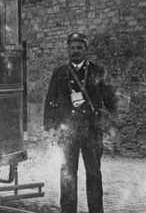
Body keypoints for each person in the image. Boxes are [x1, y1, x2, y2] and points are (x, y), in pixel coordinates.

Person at [43, 32, 117, 213]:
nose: (75, 51)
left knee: (93, 173)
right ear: (68, 50)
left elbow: (110, 99)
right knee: (68, 174)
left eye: (79, 47)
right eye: (72, 48)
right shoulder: (59, 73)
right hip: (67, 133)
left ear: (86, 49)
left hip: (92, 131)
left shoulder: (98, 72)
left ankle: (96, 210)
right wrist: (50, 128)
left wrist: (111, 122)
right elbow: (50, 101)